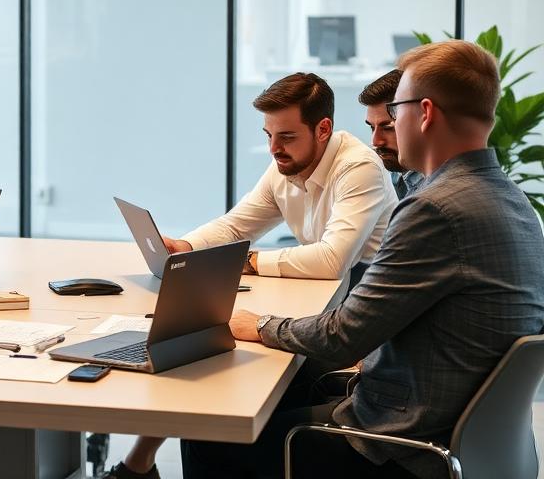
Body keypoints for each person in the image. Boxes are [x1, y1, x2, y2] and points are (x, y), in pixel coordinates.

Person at [182, 40, 544, 478]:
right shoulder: (513, 201)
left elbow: (343, 336)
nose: (383, 132)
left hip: (403, 446)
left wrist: (258, 324)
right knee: (295, 386)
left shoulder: (436, 208)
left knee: (209, 431)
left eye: (394, 114)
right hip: (463, 435)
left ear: (424, 113)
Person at [105, 73, 398, 479]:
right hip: (326, 308)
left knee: (215, 376)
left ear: (323, 129)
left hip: (354, 331)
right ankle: (139, 464)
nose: (274, 148)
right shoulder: (286, 162)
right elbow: (237, 225)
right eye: (269, 135)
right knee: (203, 355)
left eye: (287, 137)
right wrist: (186, 248)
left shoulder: (358, 168)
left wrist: (250, 262)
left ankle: (139, 466)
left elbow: (332, 260)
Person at [358, 69, 423, 199]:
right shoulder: (395, 173)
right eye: (372, 127)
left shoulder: (440, 191)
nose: (376, 141)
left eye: (388, 128)